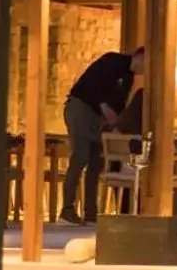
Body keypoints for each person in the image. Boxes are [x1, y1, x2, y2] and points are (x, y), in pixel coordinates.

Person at [60, 45, 144, 224]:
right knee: (80, 156)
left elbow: (119, 104)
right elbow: (93, 84)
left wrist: (116, 124)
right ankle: (67, 208)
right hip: (82, 108)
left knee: (97, 162)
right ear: (138, 56)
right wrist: (105, 107)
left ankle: (91, 211)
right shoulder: (112, 60)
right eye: (145, 62)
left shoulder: (129, 79)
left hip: (99, 119)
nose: (144, 69)